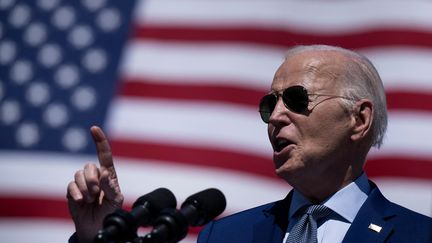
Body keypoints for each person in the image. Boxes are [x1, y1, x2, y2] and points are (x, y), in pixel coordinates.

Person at [67, 45, 432, 243]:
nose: (275, 117)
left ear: (359, 119)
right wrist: (98, 236)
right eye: (270, 104)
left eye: (296, 98)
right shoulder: (223, 236)